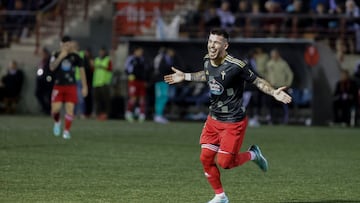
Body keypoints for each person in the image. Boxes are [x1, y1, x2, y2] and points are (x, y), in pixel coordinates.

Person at [164, 29, 292, 203]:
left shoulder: (237, 65)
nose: (212, 45)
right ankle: (221, 196)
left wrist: (273, 92)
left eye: (216, 42)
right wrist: (185, 76)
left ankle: (253, 154)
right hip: (213, 119)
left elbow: (257, 80)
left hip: (233, 122)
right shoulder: (207, 60)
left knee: (225, 163)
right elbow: (207, 75)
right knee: (206, 158)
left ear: (225, 45)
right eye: (210, 41)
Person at [49, 36, 88, 139]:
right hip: (58, 85)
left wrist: (85, 86)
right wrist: (61, 57)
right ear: (61, 45)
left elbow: (82, 71)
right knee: (55, 109)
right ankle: (57, 122)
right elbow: (52, 67)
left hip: (71, 85)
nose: (67, 47)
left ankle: (66, 131)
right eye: (65, 45)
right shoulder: (55, 54)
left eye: (68, 44)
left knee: (70, 109)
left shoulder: (76, 56)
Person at [265, 49, 294, 124]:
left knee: (284, 103)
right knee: (271, 105)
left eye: (274, 55)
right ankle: (271, 120)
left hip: (282, 87)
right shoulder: (269, 63)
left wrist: (288, 84)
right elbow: (267, 75)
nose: (273, 57)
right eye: (272, 55)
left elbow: (290, 74)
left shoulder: (283, 63)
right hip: (272, 87)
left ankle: (285, 120)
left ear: (278, 55)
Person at [124, 46, 147, 122]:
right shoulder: (131, 59)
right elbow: (126, 69)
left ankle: (141, 114)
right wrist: (130, 75)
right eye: (139, 51)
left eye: (141, 52)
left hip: (141, 81)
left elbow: (144, 70)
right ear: (135, 51)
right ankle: (128, 113)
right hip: (133, 81)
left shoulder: (142, 59)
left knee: (142, 98)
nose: (141, 53)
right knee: (133, 98)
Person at [92, 47, 113, 121]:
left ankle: (106, 114)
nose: (101, 53)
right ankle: (99, 114)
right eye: (100, 51)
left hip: (104, 83)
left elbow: (110, 70)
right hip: (96, 83)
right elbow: (93, 70)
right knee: (97, 100)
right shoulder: (97, 60)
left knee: (105, 100)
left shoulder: (108, 60)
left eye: (102, 51)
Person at [35, 47, 54, 115]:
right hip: (41, 80)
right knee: (38, 93)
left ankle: (49, 110)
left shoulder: (50, 60)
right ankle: (46, 108)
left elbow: (51, 71)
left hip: (48, 81)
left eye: (42, 53)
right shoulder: (42, 61)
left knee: (49, 96)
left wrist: (48, 78)